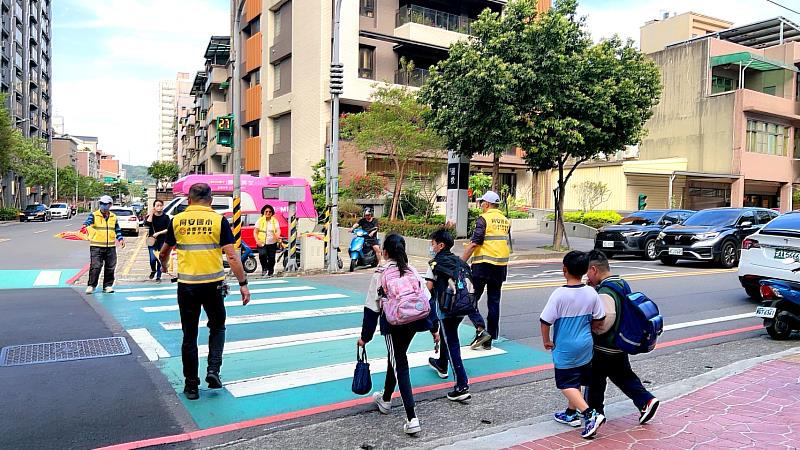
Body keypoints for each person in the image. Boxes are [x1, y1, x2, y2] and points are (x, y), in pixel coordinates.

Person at [159, 183, 252, 401]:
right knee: (217, 326)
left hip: (187, 286)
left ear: (189, 200)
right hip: (214, 286)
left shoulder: (177, 220)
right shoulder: (219, 220)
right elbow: (231, 256)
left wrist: (163, 266)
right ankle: (213, 371)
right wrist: (243, 283)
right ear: (210, 200)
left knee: (189, 336)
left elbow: (164, 252)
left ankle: (191, 386)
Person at [357, 233, 434, 435]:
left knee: (399, 362)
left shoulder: (381, 273)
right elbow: (427, 298)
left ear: (385, 251)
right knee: (397, 356)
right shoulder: (411, 270)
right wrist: (434, 329)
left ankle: (412, 418)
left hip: (394, 323)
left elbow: (371, 309)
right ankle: (386, 399)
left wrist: (365, 337)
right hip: (415, 321)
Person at [585, 250, 660, 425]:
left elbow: (608, 315)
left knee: (595, 380)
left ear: (594, 270)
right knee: (623, 376)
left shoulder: (605, 290)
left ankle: (595, 413)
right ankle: (646, 400)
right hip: (621, 342)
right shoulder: (620, 282)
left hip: (605, 346)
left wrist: (595, 329)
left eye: (587, 271)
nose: (586, 275)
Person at [540, 251, 606, 439]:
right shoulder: (591, 292)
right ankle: (571, 414)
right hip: (585, 345)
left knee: (565, 382)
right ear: (585, 270)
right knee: (576, 378)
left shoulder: (559, 294)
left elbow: (545, 321)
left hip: (566, 346)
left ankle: (590, 414)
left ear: (564, 270)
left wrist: (546, 341)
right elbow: (599, 319)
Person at [425, 228, 472, 401]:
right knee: (449, 338)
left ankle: (462, 385)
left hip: (446, 310)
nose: (432, 246)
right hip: (462, 308)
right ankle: (442, 365)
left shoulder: (434, 263)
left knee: (452, 343)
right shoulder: (459, 262)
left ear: (441, 245)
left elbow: (428, 288)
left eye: (433, 243)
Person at [463, 191, 510, 350]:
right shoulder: (505, 220)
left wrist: (461, 262)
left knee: (470, 298)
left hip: (483, 265)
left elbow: (475, 242)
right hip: (500, 266)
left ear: (487, 204)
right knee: (494, 302)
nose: (481, 205)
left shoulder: (484, 219)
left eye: (482, 202)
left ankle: (480, 329)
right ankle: (491, 337)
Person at [81, 195, 124, 294]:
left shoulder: (113, 217)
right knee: (96, 267)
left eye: (105, 204)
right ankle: (91, 285)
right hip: (96, 246)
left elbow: (117, 229)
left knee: (110, 267)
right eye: (102, 204)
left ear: (110, 205)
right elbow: (87, 223)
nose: (103, 206)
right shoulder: (94, 215)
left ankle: (108, 286)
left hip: (110, 247)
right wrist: (85, 227)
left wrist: (120, 239)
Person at [145, 199, 170, 282]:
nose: (159, 207)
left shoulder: (166, 217)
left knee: (160, 258)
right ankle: (153, 270)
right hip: (152, 240)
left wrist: (158, 233)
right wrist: (151, 213)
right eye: (157, 205)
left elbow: (168, 229)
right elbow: (147, 224)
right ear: (154, 207)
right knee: (152, 259)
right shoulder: (151, 216)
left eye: (160, 205)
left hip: (162, 240)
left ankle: (158, 276)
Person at [254, 204, 282, 277]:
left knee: (271, 258)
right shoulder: (259, 221)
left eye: (270, 211)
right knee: (262, 255)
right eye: (266, 211)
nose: (268, 213)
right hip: (262, 242)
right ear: (263, 212)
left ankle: (270, 271)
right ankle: (264, 269)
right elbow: (255, 232)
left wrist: (278, 236)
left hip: (272, 242)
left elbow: (278, 230)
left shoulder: (274, 221)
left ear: (272, 213)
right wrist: (257, 241)